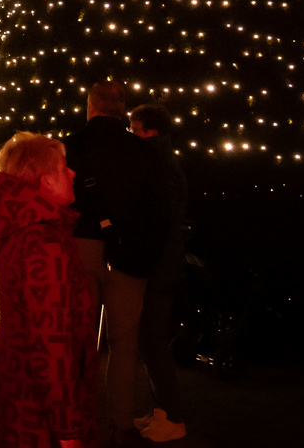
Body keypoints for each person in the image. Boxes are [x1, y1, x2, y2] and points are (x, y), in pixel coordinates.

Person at [64, 80, 167, 443]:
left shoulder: (70, 146)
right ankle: (120, 421)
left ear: (90, 106)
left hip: (80, 248)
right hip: (129, 252)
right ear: (122, 108)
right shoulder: (143, 152)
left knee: (81, 338)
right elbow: (158, 208)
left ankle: (77, 416)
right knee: (124, 343)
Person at [0, 131, 98, 448]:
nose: (73, 173)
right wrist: (68, 431)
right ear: (46, 181)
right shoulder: (44, 244)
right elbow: (53, 345)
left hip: (18, 393)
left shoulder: (24, 228)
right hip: (38, 412)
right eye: (64, 167)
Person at [130, 103, 189, 443]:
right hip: (161, 264)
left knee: (152, 340)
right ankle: (161, 412)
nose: (131, 136)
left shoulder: (160, 167)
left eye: (135, 129)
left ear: (149, 132)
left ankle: (171, 416)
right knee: (149, 341)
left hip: (159, 268)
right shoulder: (163, 164)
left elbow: (161, 224)